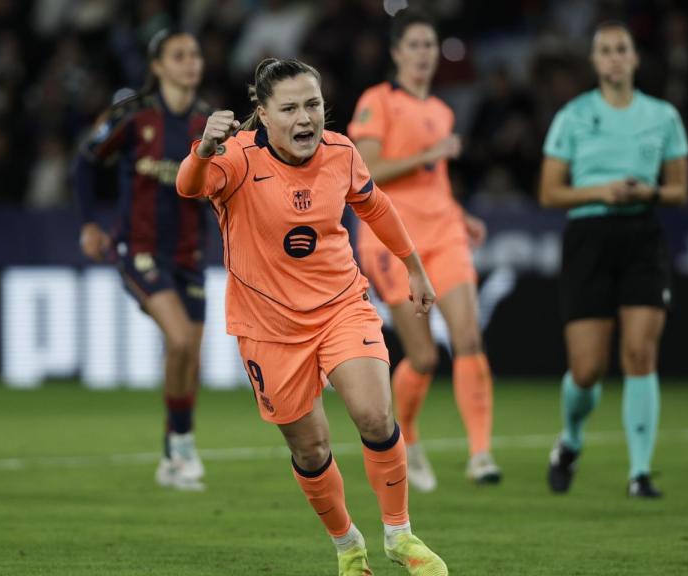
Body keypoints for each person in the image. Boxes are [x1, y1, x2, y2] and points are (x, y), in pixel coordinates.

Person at [177, 57, 448, 576]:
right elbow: (190, 187)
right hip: (268, 327)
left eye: (313, 105)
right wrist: (205, 146)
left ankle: (400, 535)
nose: (306, 118)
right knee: (311, 447)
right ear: (263, 114)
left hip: (341, 304)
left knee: (373, 414)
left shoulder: (342, 153)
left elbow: (376, 207)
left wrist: (414, 267)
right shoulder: (235, 158)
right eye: (291, 108)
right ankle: (348, 545)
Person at [348, 9, 500, 492]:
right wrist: (426, 156)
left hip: (444, 233)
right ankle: (408, 439)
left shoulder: (442, 109)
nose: (422, 54)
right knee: (425, 356)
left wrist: (460, 212)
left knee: (469, 337)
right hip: (391, 239)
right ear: (396, 52)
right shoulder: (378, 102)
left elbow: (437, 181)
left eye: (429, 46)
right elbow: (365, 171)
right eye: (413, 45)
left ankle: (481, 453)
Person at [538, 22, 688, 498]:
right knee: (587, 369)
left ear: (635, 59)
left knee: (641, 353)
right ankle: (571, 441)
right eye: (605, 50)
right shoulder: (574, 115)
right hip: (589, 235)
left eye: (622, 49)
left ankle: (639, 473)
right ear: (595, 61)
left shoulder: (663, 116)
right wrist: (603, 190)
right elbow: (548, 192)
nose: (614, 58)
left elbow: (680, 190)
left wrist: (651, 192)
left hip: (642, 232)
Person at [74, 28, 210, 491]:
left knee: (191, 355)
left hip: (189, 254)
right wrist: (90, 223)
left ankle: (171, 457)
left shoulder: (207, 123)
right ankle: (183, 445)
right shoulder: (133, 116)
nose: (190, 62)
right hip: (141, 249)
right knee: (178, 340)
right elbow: (85, 161)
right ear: (158, 66)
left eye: (194, 54)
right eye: (179, 55)